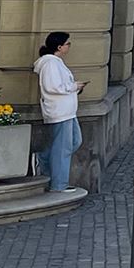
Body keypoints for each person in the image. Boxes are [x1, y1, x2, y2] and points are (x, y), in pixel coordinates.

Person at [32, 32, 87, 193]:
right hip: (59, 111)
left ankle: (42, 159)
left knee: (74, 142)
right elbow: (52, 86)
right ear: (59, 46)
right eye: (67, 44)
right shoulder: (50, 64)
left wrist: (75, 88)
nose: (69, 46)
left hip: (67, 111)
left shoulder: (56, 63)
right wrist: (74, 87)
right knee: (62, 148)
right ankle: (58, 184)